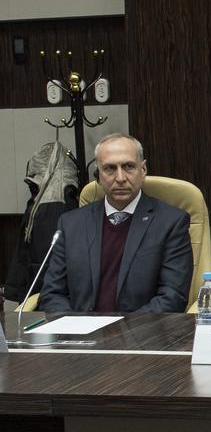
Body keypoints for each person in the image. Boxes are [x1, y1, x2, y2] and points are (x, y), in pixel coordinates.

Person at [40, 134, 192, 313]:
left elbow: (173, 297)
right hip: (80, 335)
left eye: (128, 167)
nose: (120, 178)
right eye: (110, 168)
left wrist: (121, 332)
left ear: (143, 171)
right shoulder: (70, 224)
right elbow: (52, 294)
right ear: (98, 176)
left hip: (142, 335)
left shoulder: (171, 222)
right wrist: (77, 328)